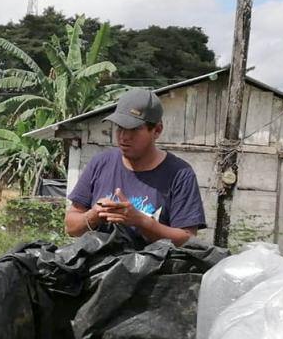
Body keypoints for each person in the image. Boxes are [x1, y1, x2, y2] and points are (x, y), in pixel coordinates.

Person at [65, 88, 206, 246]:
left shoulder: (180, 174)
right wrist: (94, 215)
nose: (124, 137)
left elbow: (187, 239)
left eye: (134, 129)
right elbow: (71, 227)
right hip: (98, 268)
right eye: (120, 128)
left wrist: (142, 222)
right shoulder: (100, 163)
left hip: (152, 268)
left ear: (157, 130)